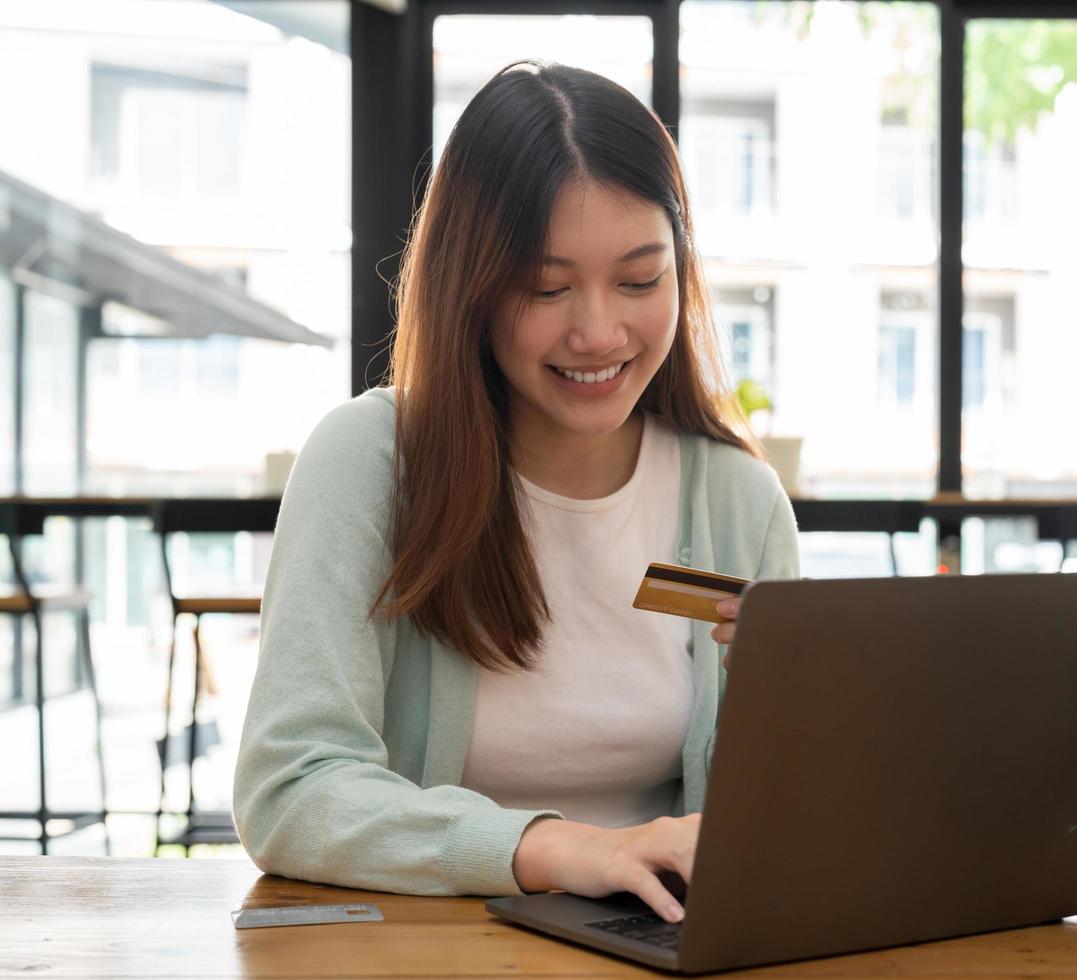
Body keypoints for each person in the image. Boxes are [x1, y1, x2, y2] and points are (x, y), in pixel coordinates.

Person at [232, 62, 799, 926]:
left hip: (661, 942)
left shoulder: (739, 501)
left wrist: (797, 710)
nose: (599, 331)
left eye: (641, 280)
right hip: (432, 946)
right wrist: (559, 849)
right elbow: (294, 788)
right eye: (547, 287)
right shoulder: (371, 461)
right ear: (473, 285)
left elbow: (790, 827)